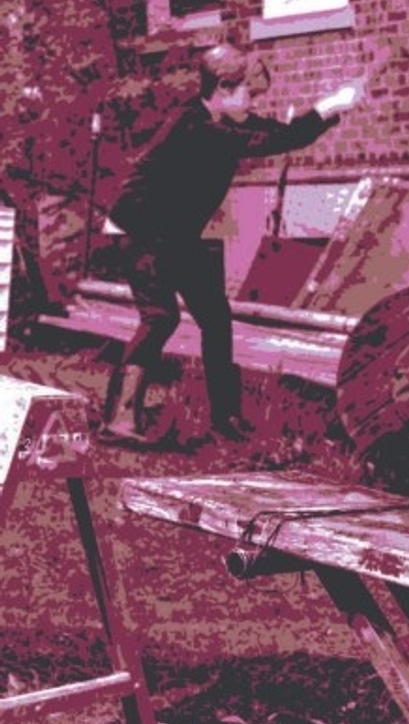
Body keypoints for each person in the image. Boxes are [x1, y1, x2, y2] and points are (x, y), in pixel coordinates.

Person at [98, 43, 361, 444]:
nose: (253, 102)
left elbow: (280, 133)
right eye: (249, 94)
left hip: (176, 234)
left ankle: (225, 419)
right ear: (223, 87)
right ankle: (119, 420)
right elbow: (265, 143)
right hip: (139, 229)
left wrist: (330, 109)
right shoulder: (196, 126)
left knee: (216, 320)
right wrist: (327, 109)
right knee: (160, 317)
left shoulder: (224, 121)